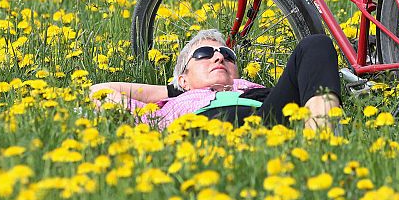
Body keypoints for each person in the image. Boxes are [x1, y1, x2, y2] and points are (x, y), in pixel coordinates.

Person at [89, 29, 341, 129]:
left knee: (316, 44)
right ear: (183, 78)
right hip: (204, 125)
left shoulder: (255, 88)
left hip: (266, 115)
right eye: (204, 54)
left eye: (227, 55)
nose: (219, 58)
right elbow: (100, 91)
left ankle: (321, 144)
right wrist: (176, 90)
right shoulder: (168, 108)